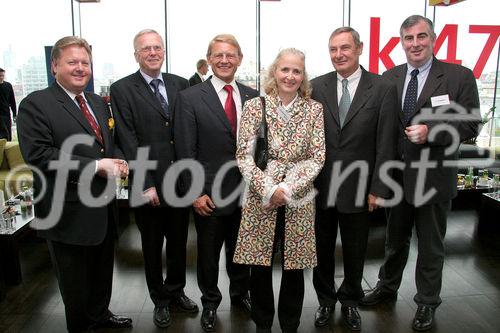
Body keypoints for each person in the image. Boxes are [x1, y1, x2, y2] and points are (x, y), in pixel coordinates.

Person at [360, 15, 481, 331]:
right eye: (408, 38)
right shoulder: (390, 77)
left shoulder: (458, 77)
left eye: (421, 36)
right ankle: (387, 289)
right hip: (397, 179)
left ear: (433, 39)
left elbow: (470, 125)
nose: (415, 44)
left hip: (433, 179)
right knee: (394, 241)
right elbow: (385, 128)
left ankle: (427, 303)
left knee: (431, 245)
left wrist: (434, 131)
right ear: (401, 42)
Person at [16, 36, 132, 332]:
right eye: (72, 62)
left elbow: (109, 143)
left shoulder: (96, 102)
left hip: (103, 209)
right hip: (67, 213)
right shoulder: (35, 104)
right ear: (55, 65)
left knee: (102, 274)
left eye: (85, 63)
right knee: (75, 286)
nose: (80, 68)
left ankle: (101, 316)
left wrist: (117, 160)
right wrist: (95, 166)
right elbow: (40, 156)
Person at [311, 27, 398, 331]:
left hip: (361, 188)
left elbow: (386, 143)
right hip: (319, 188)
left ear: (360, 48)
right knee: (321, 250)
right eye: (333, 49)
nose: (339, 55)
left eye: (345, 48)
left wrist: (378, 188)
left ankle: (349, 301)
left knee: (355, 248)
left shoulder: (383, 88)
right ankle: (324, 301)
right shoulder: (315, 86)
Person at [233, 48, 326, 333]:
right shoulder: (254, 107)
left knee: (294, 267)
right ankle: (262, 323)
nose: (290, 76)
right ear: (274, 72)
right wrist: (269, 188)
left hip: (298, 197)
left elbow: (317, 156)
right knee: (259, 265)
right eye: (284, 69)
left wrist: (288, 187)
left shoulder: (314, 109)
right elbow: (244, 155)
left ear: (303, 76)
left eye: (296, 71)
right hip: (261, 196)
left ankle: (289, 325)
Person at [110, 29, 197, 329]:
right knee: (151, 245)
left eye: (157, 47)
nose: (152, 53)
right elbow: (127, 138)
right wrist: (145, 182)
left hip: (178, 182)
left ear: (163, 51)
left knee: (178, 243)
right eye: (145, 48)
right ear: (136, 54)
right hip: (146, 183)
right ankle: (159, 300)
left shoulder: (180, 84)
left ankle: (176, 292)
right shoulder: (122, 89)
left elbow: (185, 132)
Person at [174, 34, 258, 332]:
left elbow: (260, 148)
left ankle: (240, 295)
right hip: (208, 194)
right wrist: (195, 193)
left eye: (230, 55)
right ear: (209, 59)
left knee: (241, 251)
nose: (224, 60)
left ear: (240, 58)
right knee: (208, 255)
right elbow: (185, 150)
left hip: (247, 194)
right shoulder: (190, 97)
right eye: (218, 55)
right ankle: (210, 302)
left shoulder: (253, 96)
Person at [0, 68, 17, 140]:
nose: (1, 77)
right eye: (0, 75)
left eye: (2, 75)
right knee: (2, 135)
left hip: (6, 114)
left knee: (8, 135)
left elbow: (12, 101)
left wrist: (14, 114)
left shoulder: (8, 85)